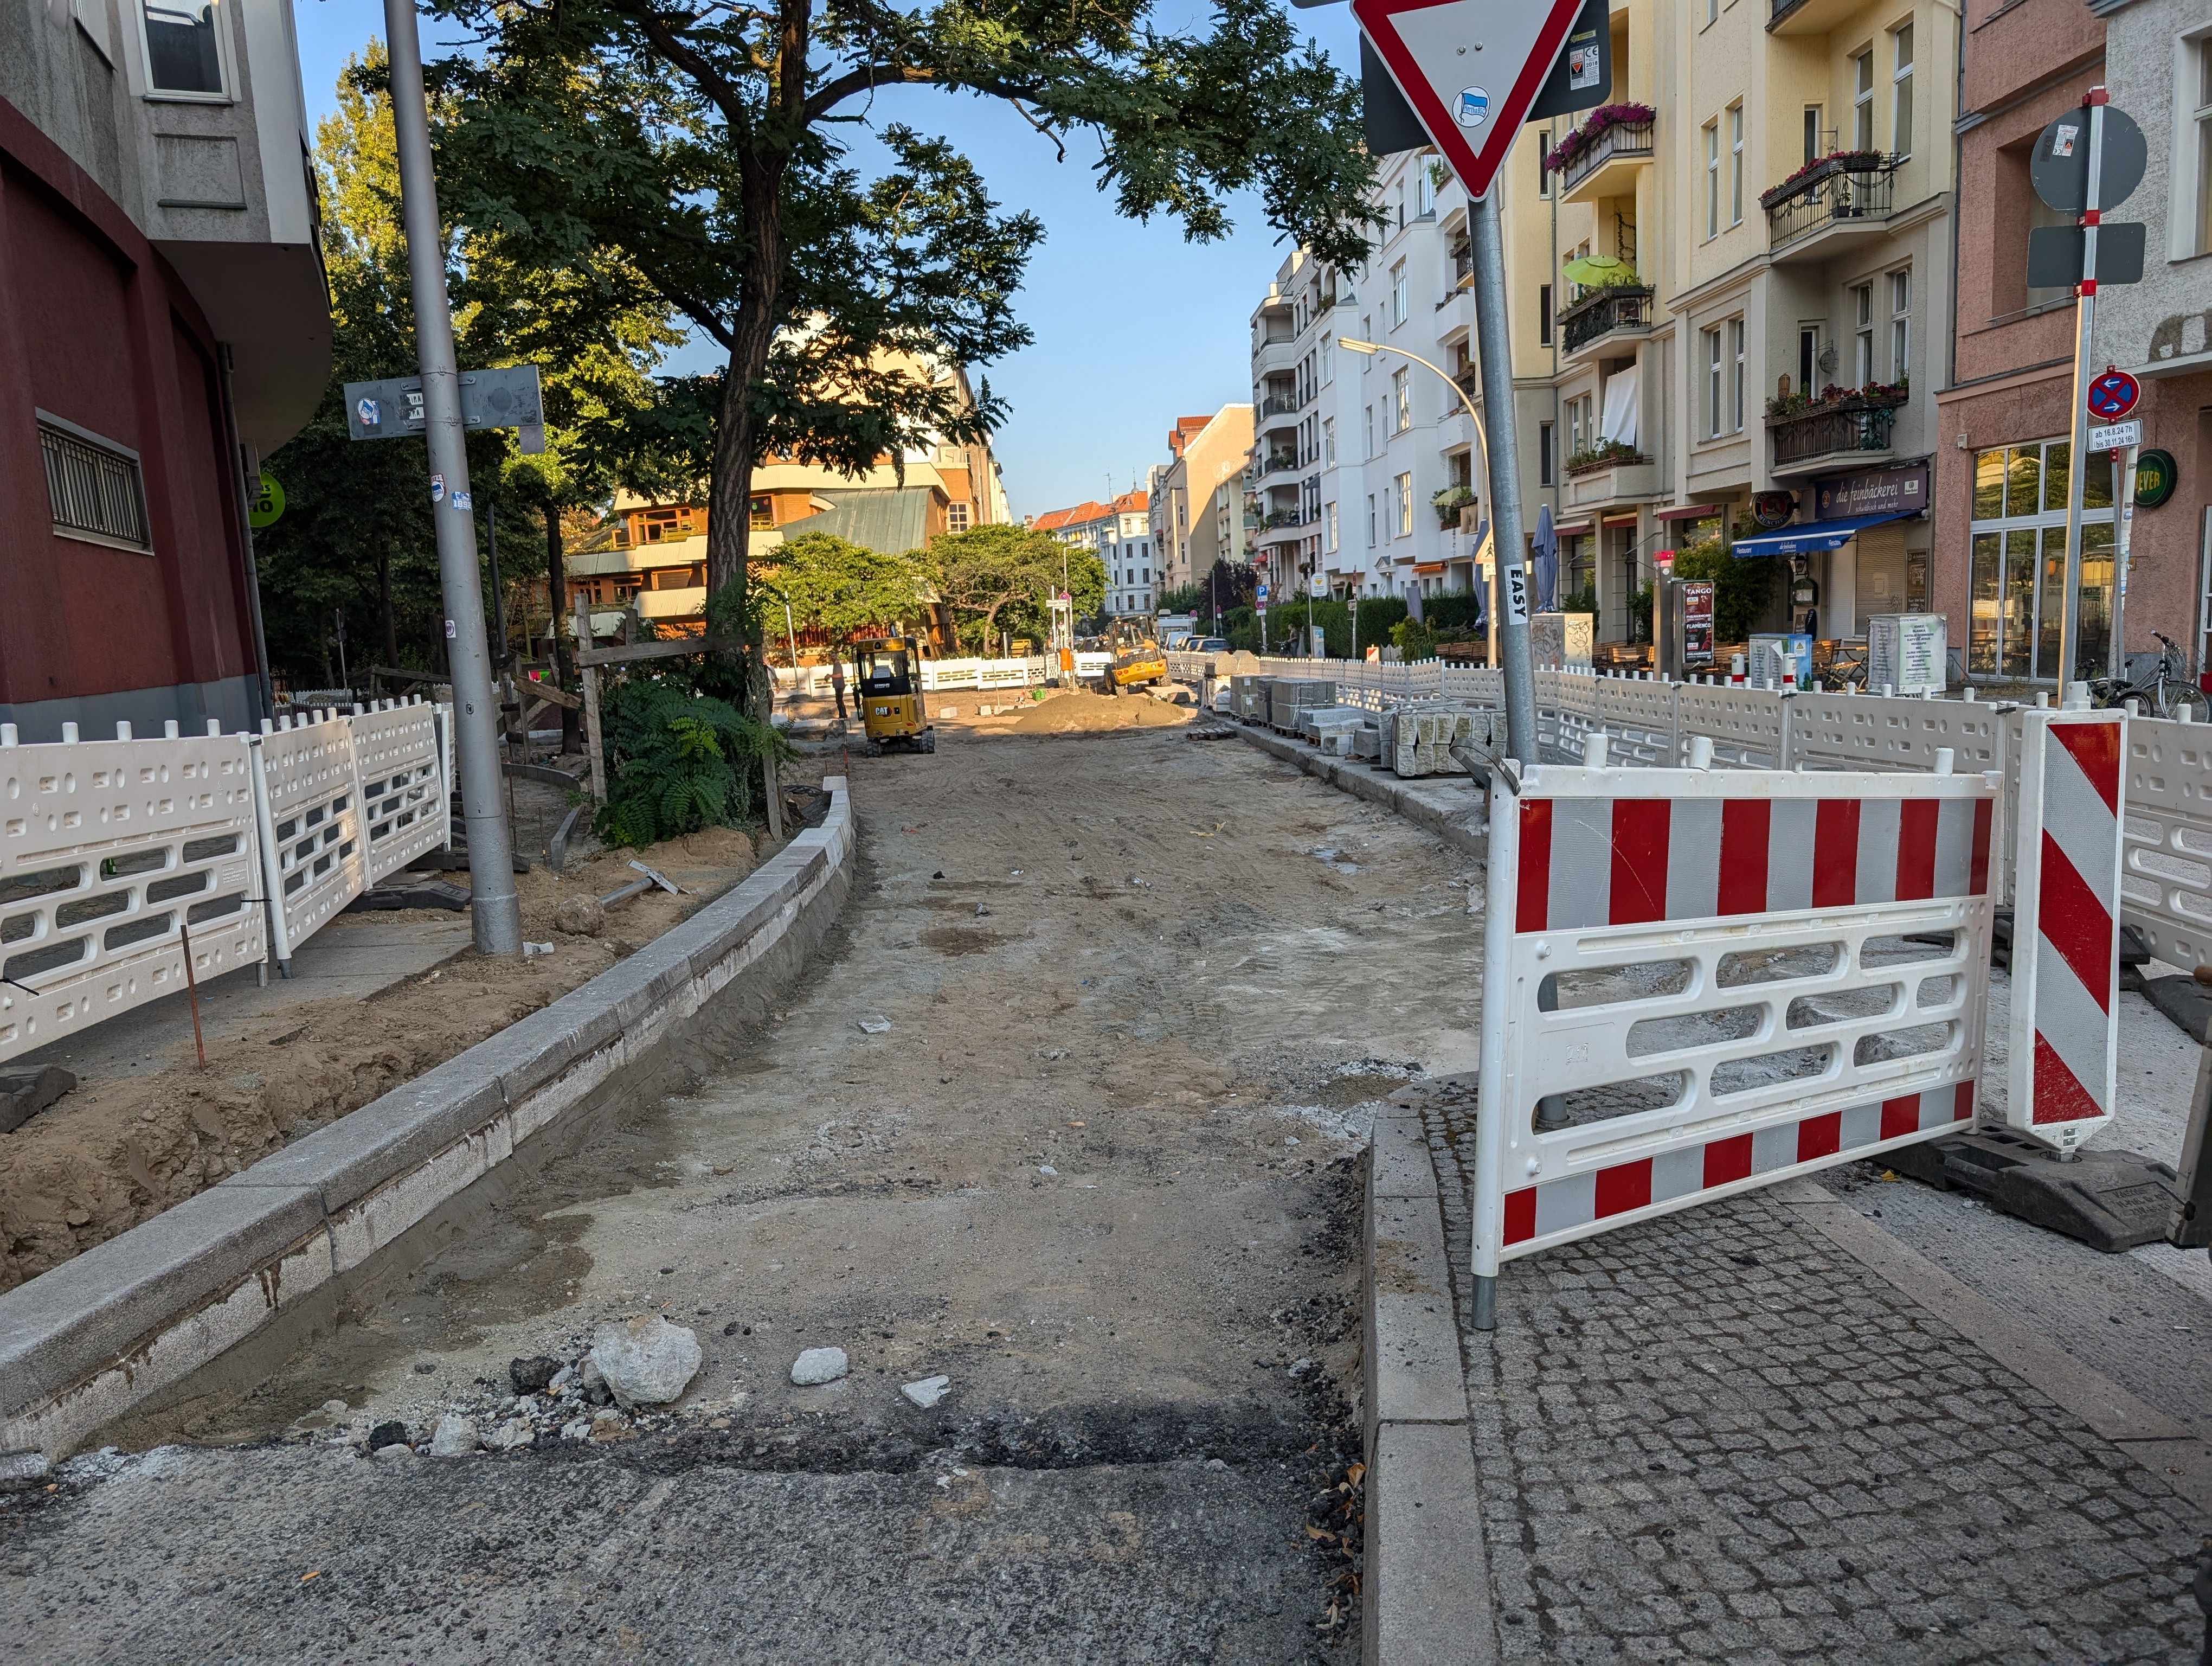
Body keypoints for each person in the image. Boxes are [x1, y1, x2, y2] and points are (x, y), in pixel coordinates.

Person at [829, 653, 847, 725]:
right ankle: (843, 715)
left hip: (840, 686)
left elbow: (839, 675)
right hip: (837, 686)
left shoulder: (838, 665)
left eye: (833, 656)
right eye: (831, 657)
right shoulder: (835, 665)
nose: (832, 658)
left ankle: (842, 716)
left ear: (836, 657)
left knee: (839, 700)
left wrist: (830, 676)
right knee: (839, 700)